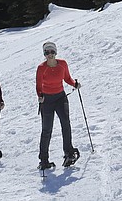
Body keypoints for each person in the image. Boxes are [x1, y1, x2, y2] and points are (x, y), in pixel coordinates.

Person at [35, 41, 80, 170]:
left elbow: (67, 78)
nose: (50, 54)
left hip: (61, 97)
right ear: (44, 54)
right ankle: (43, 159)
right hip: (47, 100)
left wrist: (74, 84)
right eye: (47, 52)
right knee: (47, 129)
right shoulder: (41, 68)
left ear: (56, 52)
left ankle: (69, 153)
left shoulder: (63, 64)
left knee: (66, 124)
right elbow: (38, 85)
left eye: (52, 52)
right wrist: (40, 95)